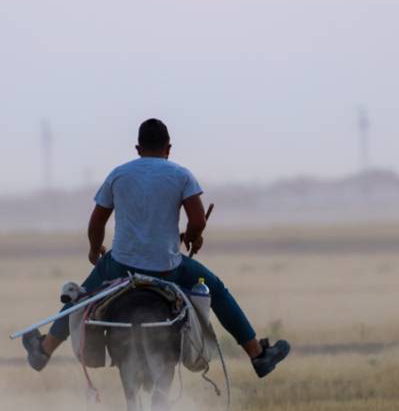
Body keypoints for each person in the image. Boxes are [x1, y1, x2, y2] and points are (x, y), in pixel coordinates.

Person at [23, 118, 290, 377]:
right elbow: (197, 220)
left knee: (80, 298)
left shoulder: (118, 174)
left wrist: (95, 250)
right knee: (217, 289)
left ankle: (44, 351)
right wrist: (193, 236)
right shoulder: (181, 175)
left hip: (120, 266)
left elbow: (96, 223)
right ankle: (257, 355)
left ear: (137, 149)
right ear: (169, 148)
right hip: (168, 268)